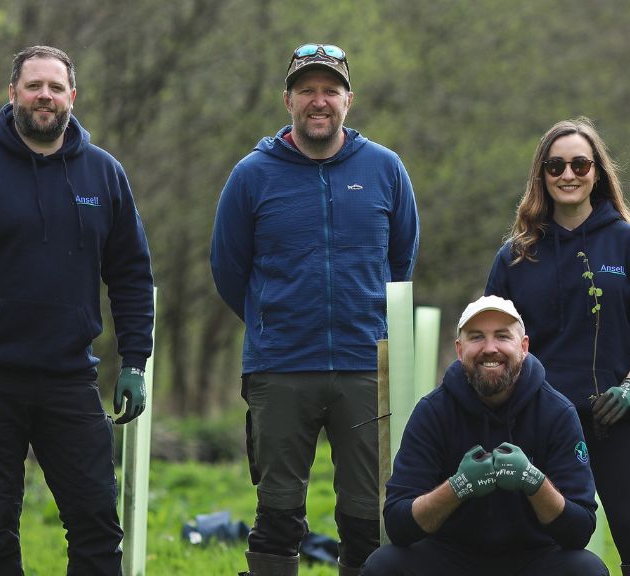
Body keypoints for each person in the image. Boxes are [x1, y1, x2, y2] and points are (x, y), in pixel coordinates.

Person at [0, 45, 154, 576]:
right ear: (12, 93)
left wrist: (135, 361)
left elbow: (131, 275)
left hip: (69, 378)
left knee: (96, 527)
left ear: (72, 97)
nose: (45, 96)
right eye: (34, 85)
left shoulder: (104, 176)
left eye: (55, 87)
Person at [210, 43, 420, 576]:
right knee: (278, 511)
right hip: (280, 368)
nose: (318, 101)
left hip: (365, 367)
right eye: (307, 90)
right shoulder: (251, 175)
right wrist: (275, 320)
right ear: (288, 100)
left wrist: (367, 320)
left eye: (330, 90)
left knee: (367, 517)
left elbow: (401, 263)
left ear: (349, 100)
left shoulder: (385, 170)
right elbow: (229, 271)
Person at [484, 118, 630, 575]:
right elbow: (493, 335)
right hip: (536, 420)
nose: (568, 175)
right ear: (541, 175)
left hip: (614, 417)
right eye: (555, 166)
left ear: (597, 172)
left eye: (579, 163)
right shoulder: (517, 254)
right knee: (533, 544)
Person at [363, 296, 607, 576]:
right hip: (449, 557)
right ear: (459, 349)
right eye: (476, 337)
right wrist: (458, 487)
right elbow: (397, 524)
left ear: (524, 346)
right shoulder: (433, 411)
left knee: (588, 569)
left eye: (502, 336)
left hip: (533, 558)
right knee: (383, 565)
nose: (490, 348)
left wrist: (533, 481)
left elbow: (579, 530)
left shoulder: (557, 412)